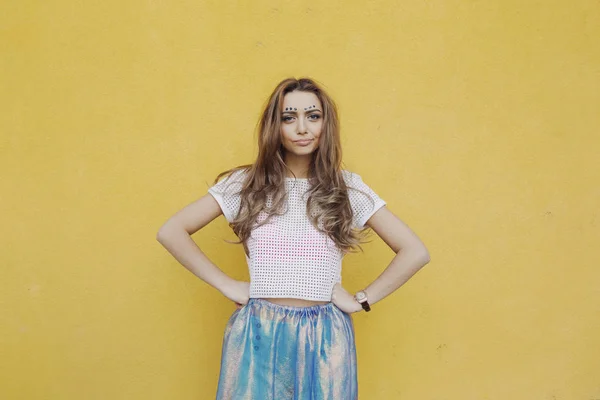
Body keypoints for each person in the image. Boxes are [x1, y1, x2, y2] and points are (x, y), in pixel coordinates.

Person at [156, 77, 430, 399]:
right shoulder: (245, 184)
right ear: (276, 125)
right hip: (258, 332)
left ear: (326, 123)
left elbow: (414, 251)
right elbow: (171, 231)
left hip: (326, 338)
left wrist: (362, 299)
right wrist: (226, 284)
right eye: (289, 117)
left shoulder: (347, 188)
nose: (302, 128)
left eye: (313, 116)